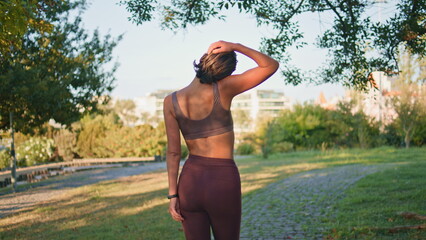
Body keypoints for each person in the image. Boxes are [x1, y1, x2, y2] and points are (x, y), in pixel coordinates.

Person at [163, 40, 279, 240]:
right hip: (222, 182)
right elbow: (270, 65)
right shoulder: (225, 88)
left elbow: (173, 153)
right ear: (225, 73)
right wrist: (236, 46)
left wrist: (173, 195)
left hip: (190, 183)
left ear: (204, 59)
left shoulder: (170, 102)